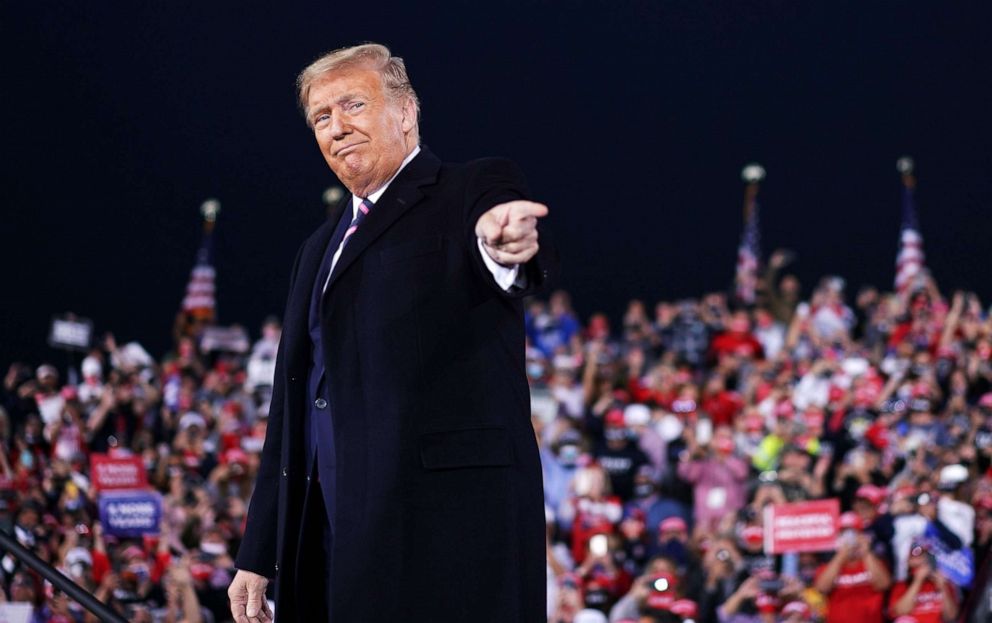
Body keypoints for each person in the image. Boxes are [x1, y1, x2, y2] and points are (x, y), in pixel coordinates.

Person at [227, 43, 557, 623]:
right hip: (331, 538)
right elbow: (292, 409)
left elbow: (500, 236)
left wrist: (503, 245)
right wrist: (258, 553)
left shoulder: (466, 189)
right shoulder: (316, 249)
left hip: (446, 533)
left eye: (352, 104)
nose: (337, 128)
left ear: (406, 112)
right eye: (321, 118)